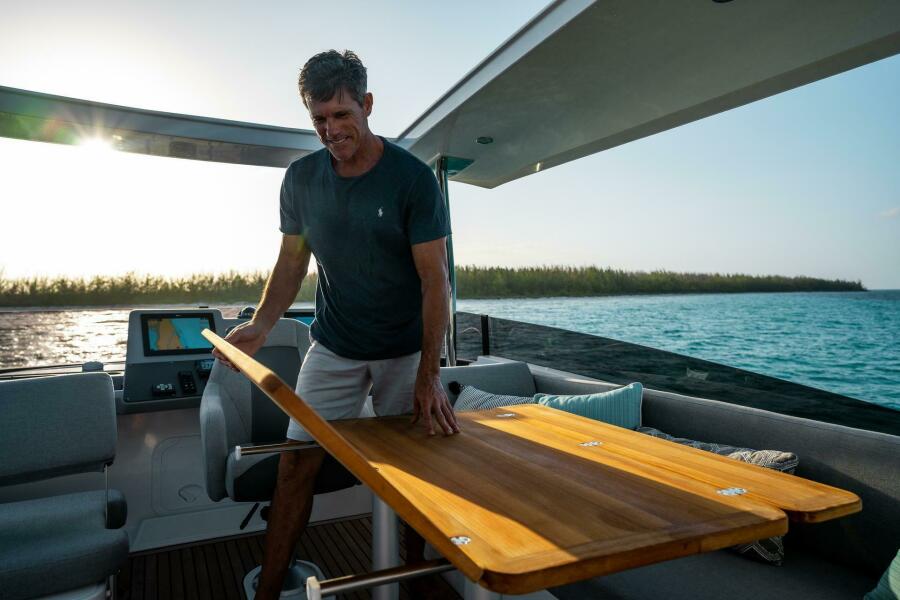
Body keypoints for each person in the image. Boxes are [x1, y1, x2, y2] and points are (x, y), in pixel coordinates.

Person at [211, 49, 460, 599]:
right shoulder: (301, 179)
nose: (331, 130)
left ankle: (415, 577)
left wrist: (429, 373)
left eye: (342, 114)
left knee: (412, 470)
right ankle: (270, 590)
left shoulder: (412, 180)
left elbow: (434, 280)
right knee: (295, 464)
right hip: (334, 345)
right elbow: (291, 263)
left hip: (404, 350)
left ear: (367, 105)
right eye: (319, 119)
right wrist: (260, 325)